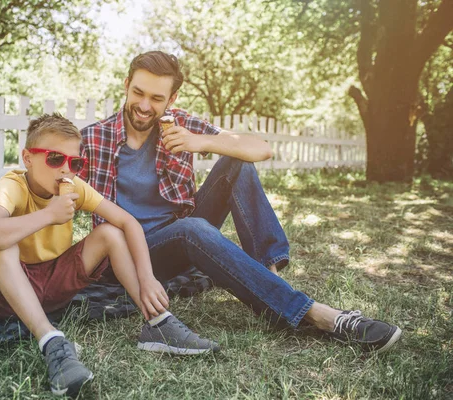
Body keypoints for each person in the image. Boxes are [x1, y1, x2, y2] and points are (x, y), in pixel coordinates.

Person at [79, 51, 402, 354]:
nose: (145, 105)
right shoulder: (93, 138)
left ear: (172, 100)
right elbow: (46, 179)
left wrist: (202, 141)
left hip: (179, 241)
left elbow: (260, 148)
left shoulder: (178, 125)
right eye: (138, 93)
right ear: (126, 85)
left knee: (237, 164)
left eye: (156, 98)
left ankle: (269, 274)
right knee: (193, 229)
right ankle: (318, 315)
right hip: (133, 254)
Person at [0, 113, 219, 397]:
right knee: (0, 243)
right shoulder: (13, 186)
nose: (65, 170)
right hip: (6, 296)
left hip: (52, 286)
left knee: (110, 233)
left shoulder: (74, 187)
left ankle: (157, 322)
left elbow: (128, 223)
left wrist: (147, 276)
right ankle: (51, 341)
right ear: (28, 158)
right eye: (54, 159)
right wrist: (48, 215)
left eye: (74, 163)